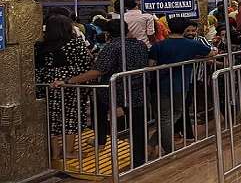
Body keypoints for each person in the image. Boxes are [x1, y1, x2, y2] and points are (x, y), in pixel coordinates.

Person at [55, 19, 149, 166]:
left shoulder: (112, 47)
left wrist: (69, 81)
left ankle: (100, 141)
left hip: (113, 90)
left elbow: (98, 71)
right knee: (138, 125)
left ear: (107, 34)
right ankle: (139, 158)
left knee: (99, 111)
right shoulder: (140, 45)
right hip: (138, 89)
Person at [148, 17, 217, 155]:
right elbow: (211, 53)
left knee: (163, 117)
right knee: (176, 113)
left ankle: (156, 143)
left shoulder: (158, 45)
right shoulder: (191, 44)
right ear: (184, 30)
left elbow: (151, 65)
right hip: (180, 84)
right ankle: (166, 149)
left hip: (159, 85)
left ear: (168, 28)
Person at [35, 15, 92, 160]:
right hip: (71, 84)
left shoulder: (41, 46)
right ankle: (68, 151)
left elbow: (37, 68)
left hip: (48, 85)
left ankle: (55, 153)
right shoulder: (75, 43)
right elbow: (86, 63)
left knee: (53, 118)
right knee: (71, 116)